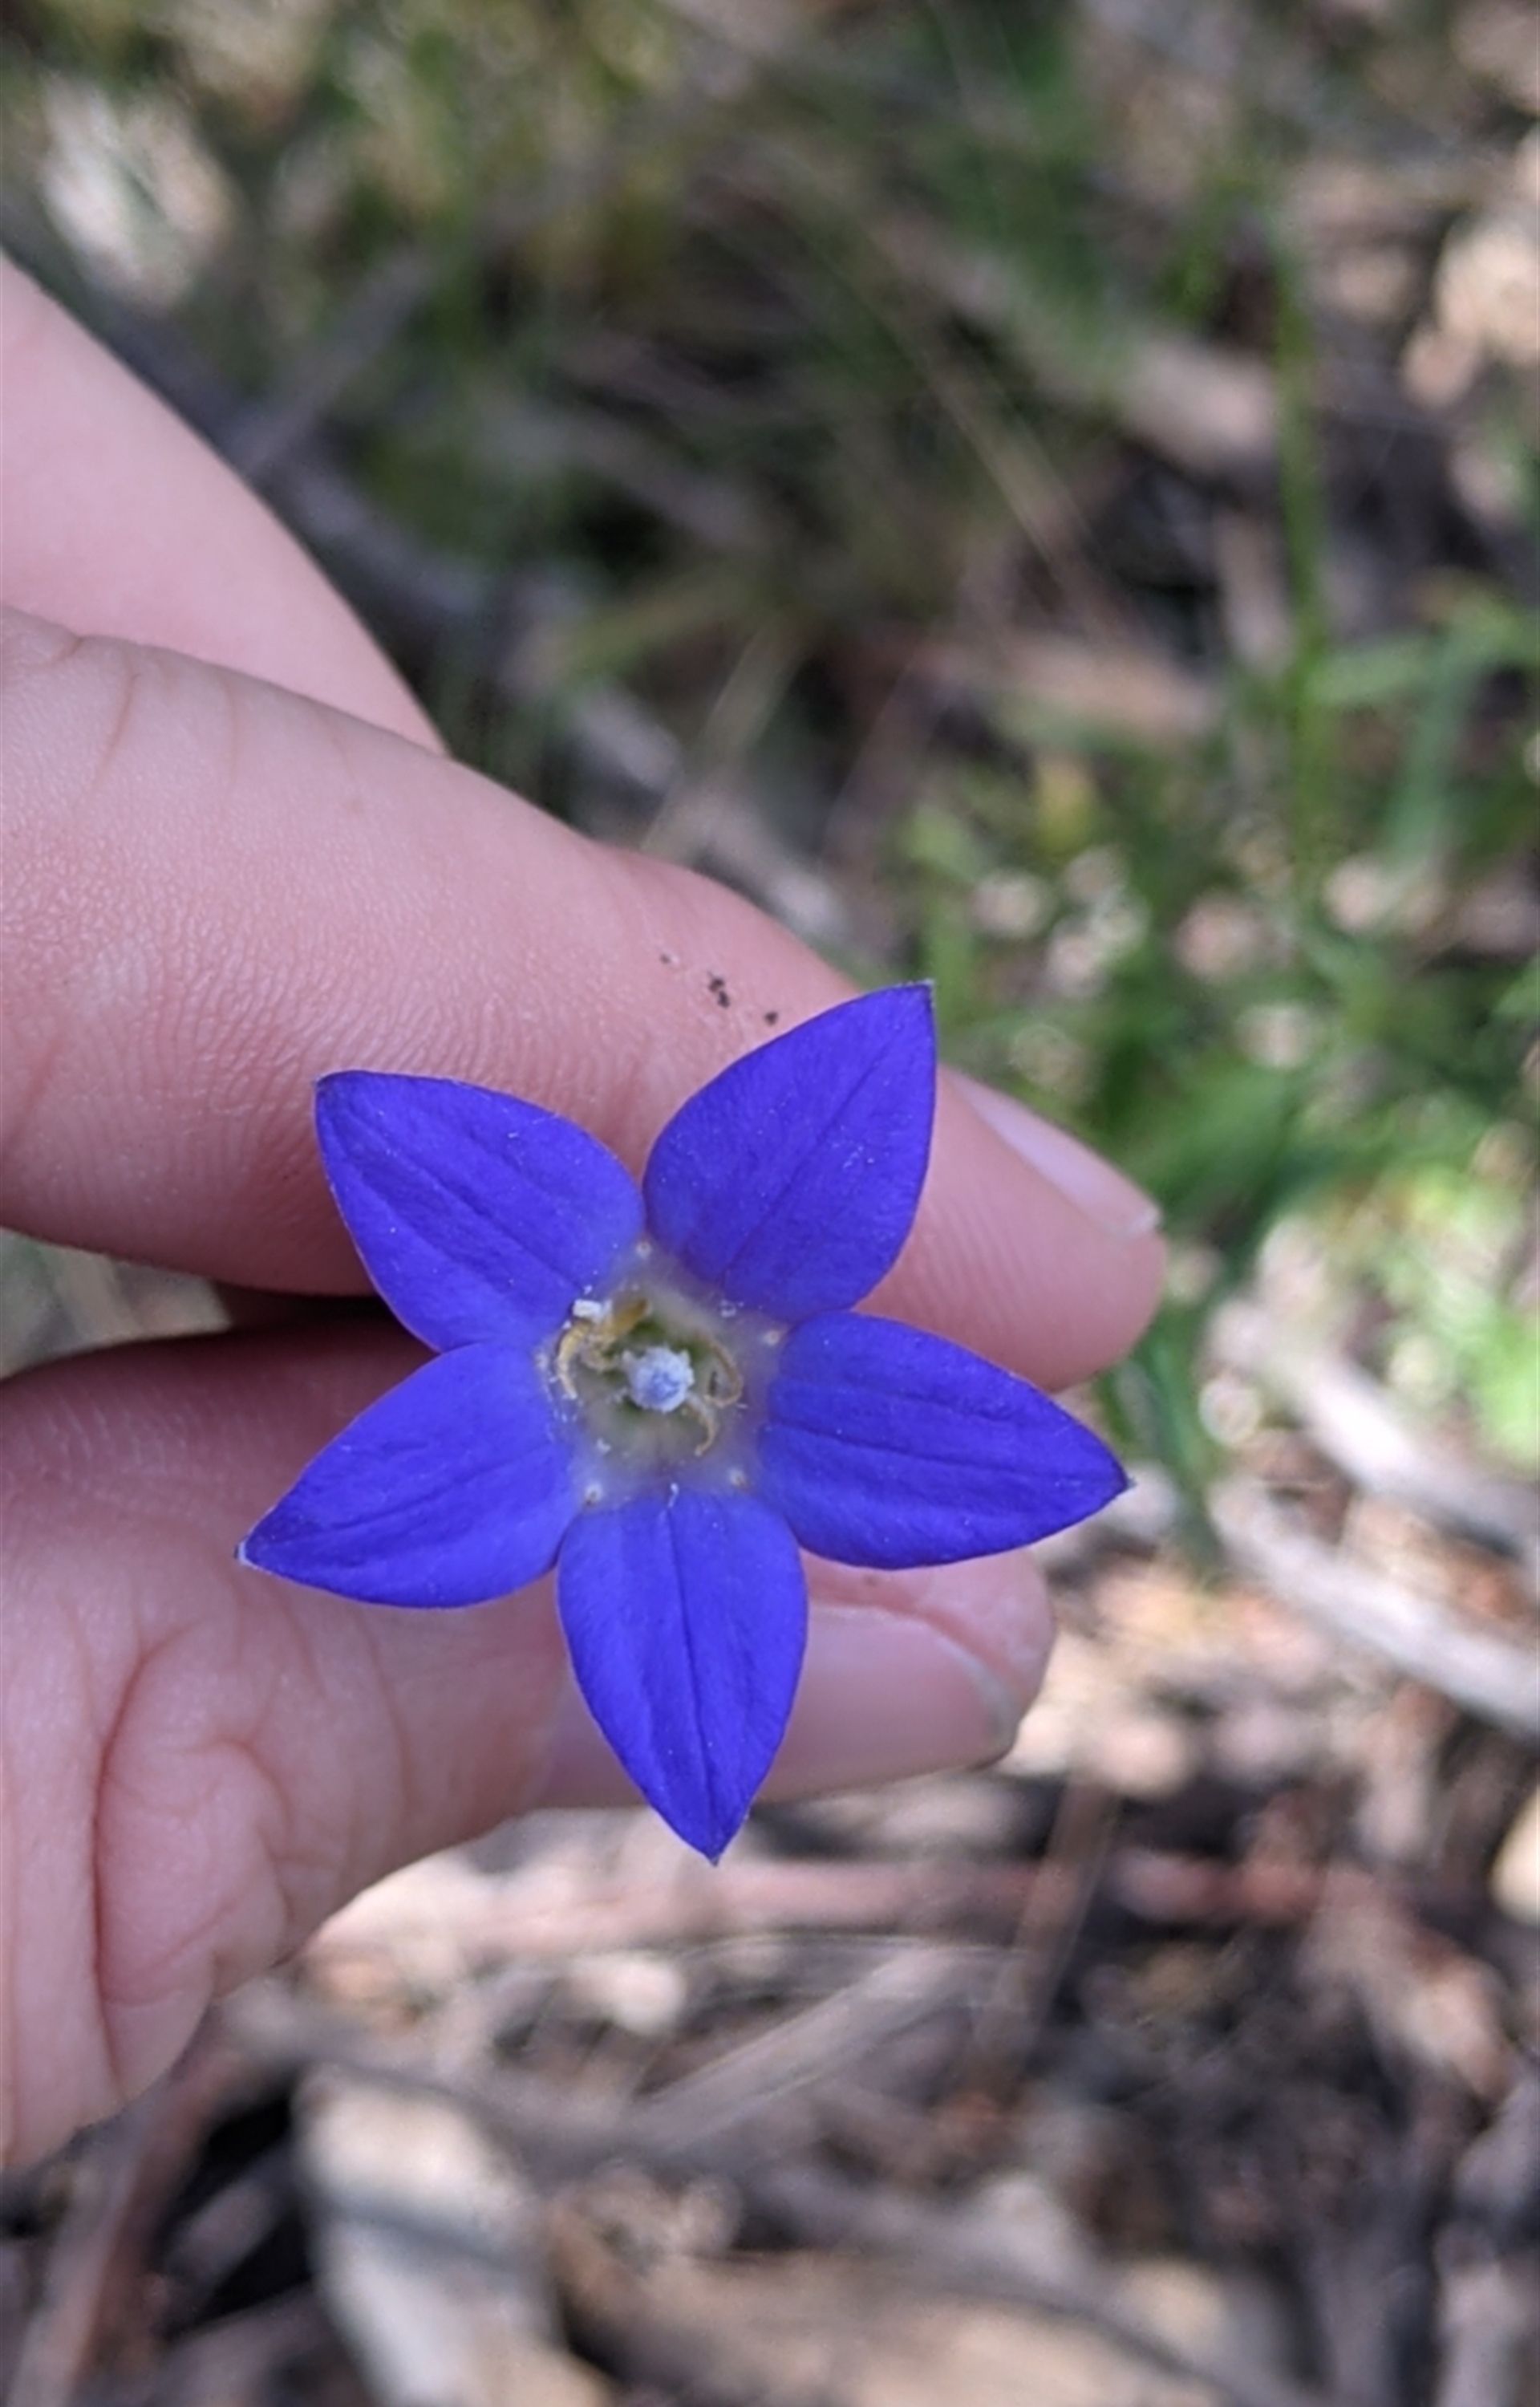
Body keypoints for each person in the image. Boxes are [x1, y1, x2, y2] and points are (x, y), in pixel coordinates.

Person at [0, 257, 1164, 2168]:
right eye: (642, 1356)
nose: (655, 1376)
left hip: (621, 1412)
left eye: (652, 1363)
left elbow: (953, 1403)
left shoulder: (747, 1339)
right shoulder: (523, 1237)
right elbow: (395, 1154)